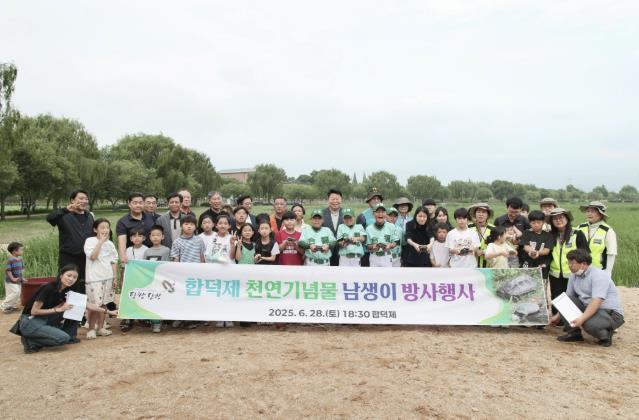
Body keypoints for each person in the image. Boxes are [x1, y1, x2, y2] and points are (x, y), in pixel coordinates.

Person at [19, 265, 117, 354]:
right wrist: (58, 310)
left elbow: (88, 305)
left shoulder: (67, 290)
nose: (71, 279)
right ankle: (31, 341)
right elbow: (34, 311)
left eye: (74, 277)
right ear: (61, 275)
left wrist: (109, 312)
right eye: (69, 275)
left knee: (76, 306)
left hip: (45, 318)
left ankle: (70, 336)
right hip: (30, 321)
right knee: (62, 339)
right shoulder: (48, 288)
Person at [551, 249, 624, 347]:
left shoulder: (599, 275)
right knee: (563, 300)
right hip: (589, 307)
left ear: (583, 264)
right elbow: (568, 298)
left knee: (588, 324)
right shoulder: (573, 275)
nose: (569, 265)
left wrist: (581, 319)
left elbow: (597, 301)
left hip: (610, 313)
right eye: (568, 262)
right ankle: (574, 333)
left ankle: (605, 336)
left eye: (572, 263)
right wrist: (557, 316)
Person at [548, 208, 589, 316]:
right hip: (555, 273)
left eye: (561, 217)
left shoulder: (577, 233)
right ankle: (558, 319)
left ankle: (573, 320)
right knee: (556, 298)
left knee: (572, 298)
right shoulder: (551, 235)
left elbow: (585, 253)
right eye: (555, 219)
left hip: (573, 273)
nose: (558, 220)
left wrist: (581, 270)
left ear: (567, 218)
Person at [46, 189, 94, 281]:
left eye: (86, 199)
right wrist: (65, 210)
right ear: (72, 200)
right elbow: (50, 218)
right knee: (67, 284)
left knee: (84, 284)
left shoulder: (90, 216)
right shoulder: (63, 215)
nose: (84, 201)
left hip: (86, 258)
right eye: (81, 198)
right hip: (68, 258)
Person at [83, 218, 117, 340]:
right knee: (94, 305)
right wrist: (101, 242)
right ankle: (91, 329)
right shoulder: (90, 241)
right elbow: (92, 257)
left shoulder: (110, 244)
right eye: (102, 227)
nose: (105, 230)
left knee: (104, 303)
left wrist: (114, 277)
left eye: (107, 227)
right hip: (94, 279)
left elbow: (113, 261)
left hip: (108, 277)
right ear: (95, 229)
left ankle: (101, 327)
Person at [143, 225, 171, 333]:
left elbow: (168, 265)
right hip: (151, 280)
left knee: (162, 300)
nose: (155, 237)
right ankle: (155, 322)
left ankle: (162, 320)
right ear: (149, 237)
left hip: (163, 280)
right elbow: (143, 266)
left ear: (163, 237)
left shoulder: (166, 250)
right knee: (153, 300)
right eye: (153, 235)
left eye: (158, 235)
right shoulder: (147, 251)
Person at [577, 201, 617, 273]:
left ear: (601, 214)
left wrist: (608, 272)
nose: (589, 214)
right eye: (588, 211)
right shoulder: (580, 227)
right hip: (580, 270)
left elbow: (611, 253)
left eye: (593, 211)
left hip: (599, 271)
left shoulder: (608, 231)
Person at [116, 192, 155, 264]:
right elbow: (122, 241)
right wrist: (123, 257)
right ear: (129, 204)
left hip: (150, 256)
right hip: (132, 257)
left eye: (140, 203)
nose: (138, 205)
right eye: (135, 203)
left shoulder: (150, 217)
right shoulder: (122, 222)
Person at [520, 210, 555, 278]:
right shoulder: (526, 233)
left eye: (538, 222)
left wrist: (537, 253)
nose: (536, 225)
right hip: (528, 262)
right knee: (525, 277)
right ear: (529, 223)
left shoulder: (548, 235)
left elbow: (547, 250)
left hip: (542, 263)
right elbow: (526, 246)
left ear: (543, 222)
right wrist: (531, 251)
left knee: (541, 279)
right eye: (533, 223)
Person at [365, 203, 399, 268]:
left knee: (387, 274)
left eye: (383, 212)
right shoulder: (369, 228)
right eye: (378, 212)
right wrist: (373, 246)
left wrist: (390, 245)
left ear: (386, 214)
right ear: (373, 214)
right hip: (374, 256)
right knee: (374, 274)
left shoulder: (391, 226)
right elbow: (368, 245)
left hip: (387, 256)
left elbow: (395, 242)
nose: (380, 214)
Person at [356, 188, 383, 267]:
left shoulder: (385, 214)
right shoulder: (362, 215)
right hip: (367, 252)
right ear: (369, 201)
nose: (376, 200)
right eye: (373, 199)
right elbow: (359, 235)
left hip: (383, 251)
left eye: (378, 199)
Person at [468, 203, 495, 268]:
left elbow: (497, 246)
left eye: (484, 212)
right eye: (478, 212)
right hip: (469, 264)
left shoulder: (493, 229)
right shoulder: (468, 227)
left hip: (487, 265)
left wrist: (483, 251)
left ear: (488, 215)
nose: (481, 214)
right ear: (475, 214)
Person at [321, 189, 344, 266]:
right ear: (328, 200)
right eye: (332, 199)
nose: (335, 201)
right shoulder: (321, 214)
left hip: (342, 251)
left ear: (341, 200)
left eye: (337, 199)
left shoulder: (346, 213)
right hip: (326, 251)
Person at [1, 242, 24, 313]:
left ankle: (11, 306)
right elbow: (8, 270)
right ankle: (4, 305)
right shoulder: (10, 260)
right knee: (16, 292)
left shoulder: (20, 259)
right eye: (20, 250)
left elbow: (22, 269)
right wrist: (12, 278)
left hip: (18, 280)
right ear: (14, 251)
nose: (22, 251)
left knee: (16, 293)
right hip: (10, 280)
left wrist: (22, 278)